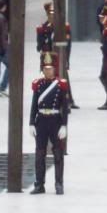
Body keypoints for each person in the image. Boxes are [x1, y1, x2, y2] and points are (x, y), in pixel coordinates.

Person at [29, 56, 69, 195]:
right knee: (40, 154)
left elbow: (65, 106)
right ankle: (39, 184)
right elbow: (34, 105)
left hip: (55, 120)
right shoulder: (38, 84)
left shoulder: (60, 85)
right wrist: (31, 123)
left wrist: (64, 125)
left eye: (50, 69)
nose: (47, 71)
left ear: (54, 69)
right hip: (41, 121)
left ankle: (59, 183)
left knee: (58, 153)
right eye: (45, 69)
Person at [36, 1, 78, 109]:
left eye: (54, 13)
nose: (52, 15)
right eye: (50, 13)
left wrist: (67, 59)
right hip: (49, 57)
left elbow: (68, 45)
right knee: (49, 78)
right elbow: (40, 45)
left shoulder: (63, 27)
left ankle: (68, 100)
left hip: (60, 57)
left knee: (63, 78)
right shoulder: (43, 28)